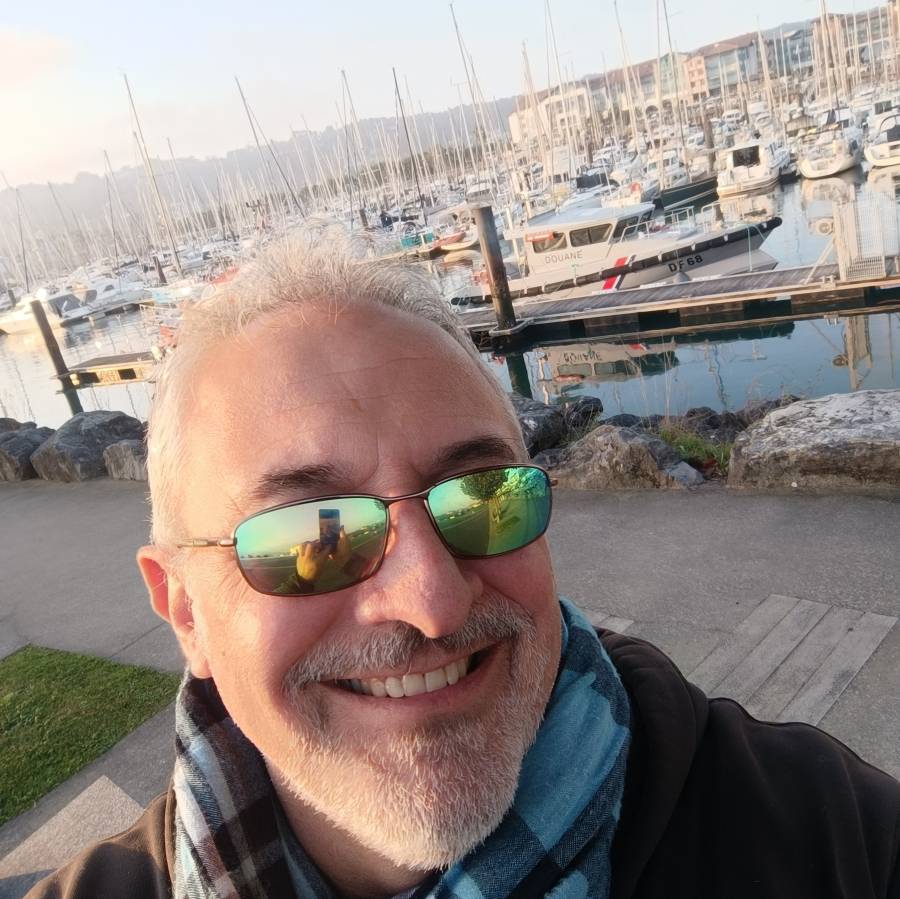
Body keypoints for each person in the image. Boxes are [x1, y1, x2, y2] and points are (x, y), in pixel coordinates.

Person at [29, 225, 900, 899]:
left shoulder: (825, 836)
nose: (433, 599)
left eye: (482, 497)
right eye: (312, 536)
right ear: (185, 609)